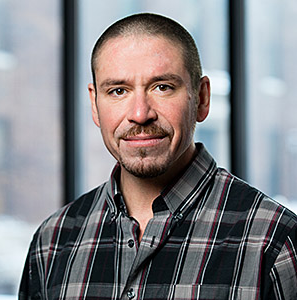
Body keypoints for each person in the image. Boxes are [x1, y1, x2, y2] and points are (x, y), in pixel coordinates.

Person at [19, 13, 297, 300]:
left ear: (201, 98)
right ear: (94, 104)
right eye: (118, 91)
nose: (140, 114)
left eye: (162, 87)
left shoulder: (274, 241)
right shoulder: (52, 241)